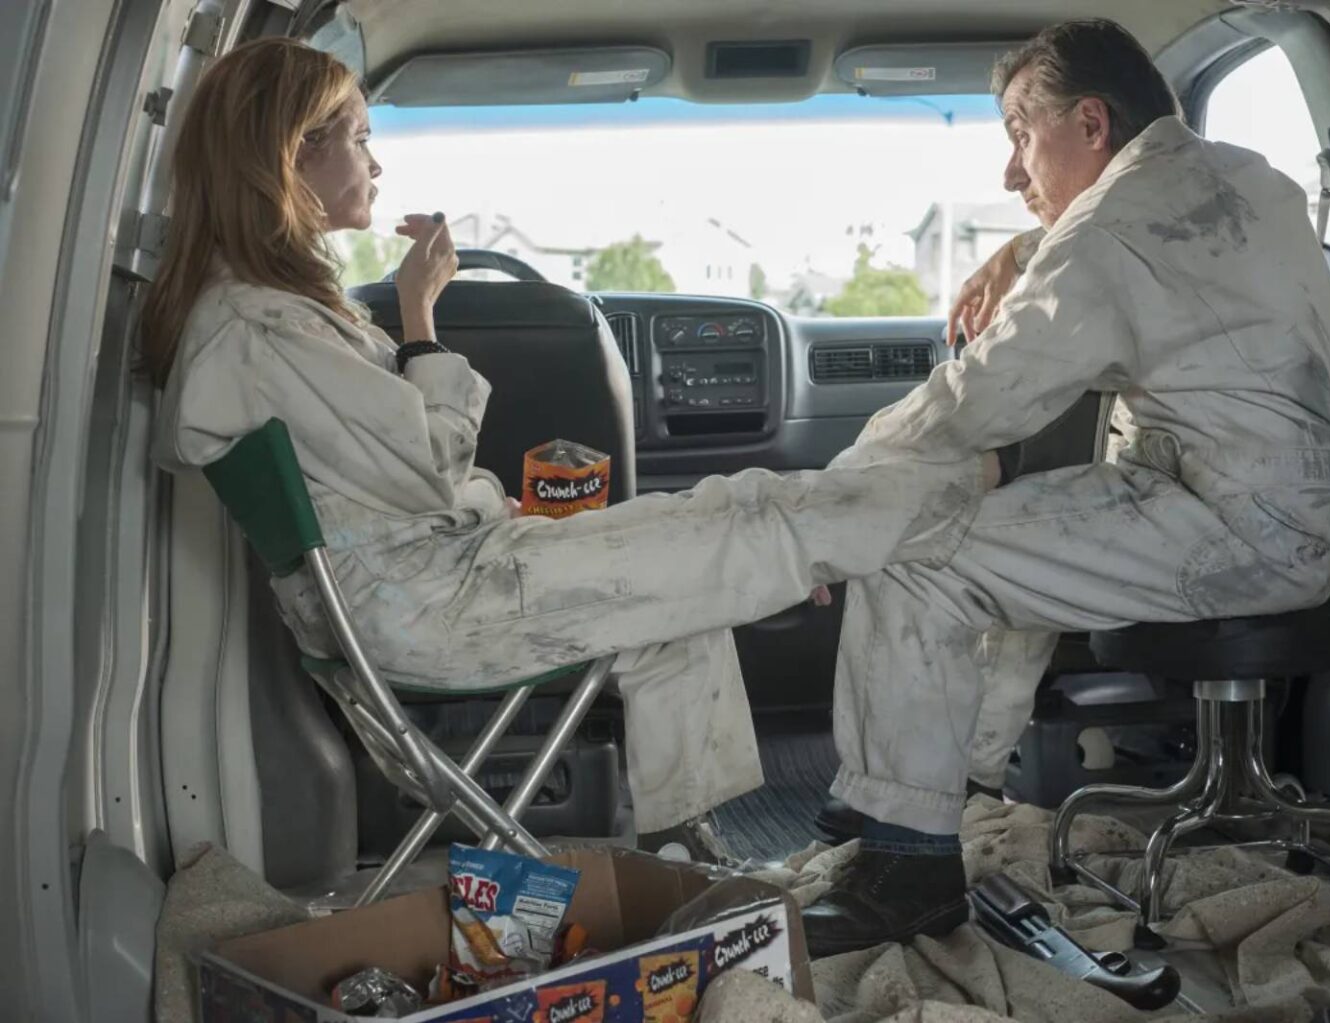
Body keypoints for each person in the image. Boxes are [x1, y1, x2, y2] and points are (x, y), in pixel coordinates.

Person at [142, 38, 1001, 862]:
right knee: (742, 517)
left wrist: (492, 501)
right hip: (433, 604)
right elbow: (430, 465)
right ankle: (924, 511)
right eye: (360, 139)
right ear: (294, 152)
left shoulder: (269, 315)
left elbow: (392, 480)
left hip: (435, 580)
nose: (376, 163)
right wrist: (420, 315)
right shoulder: (264, 329)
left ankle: (683, 851)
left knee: (707, 560)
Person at [795, 18, 1330, 957]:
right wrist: (1023, 250)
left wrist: (835, 499)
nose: (1010, 173)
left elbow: (978, 400)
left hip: (1241, 527)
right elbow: (1146, 244)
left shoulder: (1107, 233)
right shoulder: (1248, 176)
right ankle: (955, 785)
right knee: (1016, 529)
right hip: (1316, 519)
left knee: (917, 552)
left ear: (1093, 124)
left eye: (1021, 135)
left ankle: (906, 867)